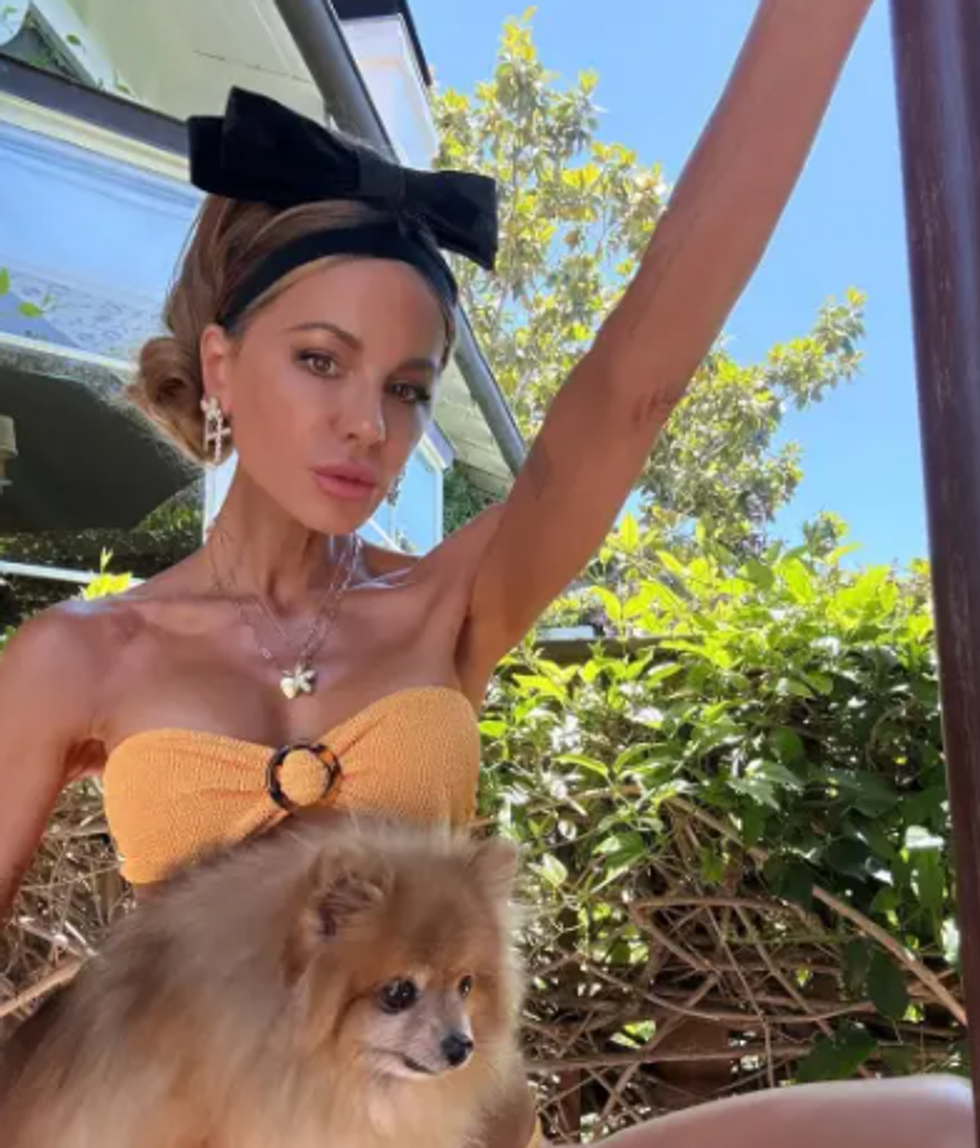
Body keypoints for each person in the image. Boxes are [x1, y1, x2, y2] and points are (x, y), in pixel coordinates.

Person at [0, 1, 972, 1145]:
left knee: (937, 1118)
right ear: (220, 364)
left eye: (407, 388)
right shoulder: (77, 657)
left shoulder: (446, 603)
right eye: (319, 360)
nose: (368, 424)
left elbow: (630, 386)